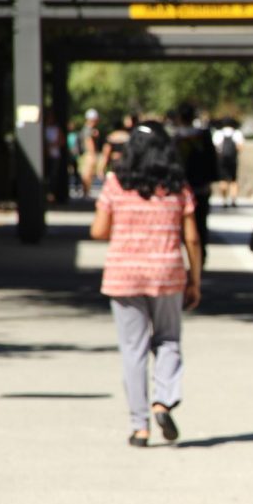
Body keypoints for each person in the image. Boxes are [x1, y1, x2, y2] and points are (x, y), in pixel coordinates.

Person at [90, 121, 202, 448]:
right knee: (168, 340)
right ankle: (163, 401)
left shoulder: (115, 183)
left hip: (124, 274)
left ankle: (139, 427)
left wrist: (127, 228)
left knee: (133, 350)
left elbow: (98, 230)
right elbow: (192, 239)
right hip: (167, 273)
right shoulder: (177, 185)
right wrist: (195, 280)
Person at [175, 102, 218, 265]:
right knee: (200, 223)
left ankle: (186, 255)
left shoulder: (175, 139)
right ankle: (200, 255)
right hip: (201, 187)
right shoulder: (203, 136)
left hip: (179, 188)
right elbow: (212, 161)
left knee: (180, 224)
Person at [213, 117, 244, 208]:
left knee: (223, 180)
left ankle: (224, 200)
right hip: (233, 160)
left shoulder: (218, 133)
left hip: (221, 160)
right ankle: (233, 199)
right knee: (233, 180)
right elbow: (240, 147)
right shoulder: (237, 133)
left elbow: (215, 148)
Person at [80, 108, 102, 198]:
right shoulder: (88, 129)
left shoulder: (89, 129)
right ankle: (86, 192)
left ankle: (86, 192)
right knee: (87, 174)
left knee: (88, 174)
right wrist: (93, 154)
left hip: (88, 154)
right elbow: (88, 142)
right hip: (89, 154)